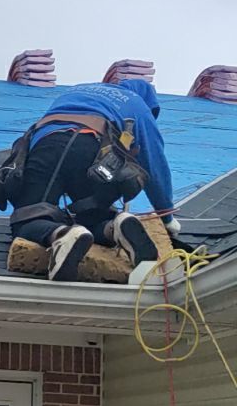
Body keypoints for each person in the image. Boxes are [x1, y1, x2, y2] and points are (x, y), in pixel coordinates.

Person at [10, 79, 180, 281]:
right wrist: (166, 217)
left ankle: (62, 234)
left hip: (50, 143)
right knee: (91, 216)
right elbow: (154, 163)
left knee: (29, 217)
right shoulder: (138, 104)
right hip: (96, 152)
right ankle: (114, 226)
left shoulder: (77, 89)